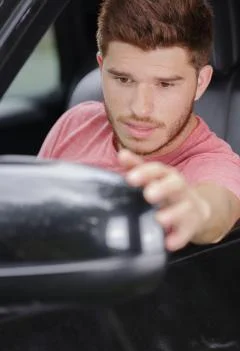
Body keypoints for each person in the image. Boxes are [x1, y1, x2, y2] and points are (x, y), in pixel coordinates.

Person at [38, 0, 240, 252]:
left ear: (201, 82)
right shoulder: (75, 123)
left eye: (165, 84)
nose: (140, 109)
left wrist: (196, 209)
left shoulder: (215, 164)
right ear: (102, 69)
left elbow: (217, 209)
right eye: (123, 79)